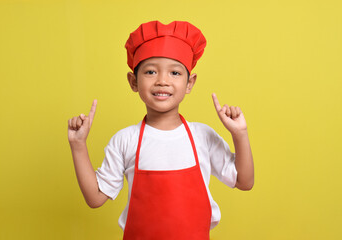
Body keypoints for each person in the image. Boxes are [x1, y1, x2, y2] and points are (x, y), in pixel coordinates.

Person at [68, 20, 254, 240]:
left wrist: (239, 134)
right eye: (150, 72)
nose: (162, 81)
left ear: (190, 83)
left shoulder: (202, 137)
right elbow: (95, 198)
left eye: (175, 73)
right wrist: (78, 145)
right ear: (133, 81)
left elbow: (244, 181)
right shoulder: (125, 140)